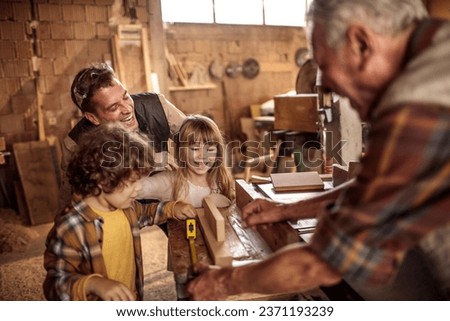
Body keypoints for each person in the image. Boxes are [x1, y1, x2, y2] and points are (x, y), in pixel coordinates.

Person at [186, 0, 450, 300]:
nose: (332, 93)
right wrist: (286, 210)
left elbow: (322, 264)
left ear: (361, 42)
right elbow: (375, 189)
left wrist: (224, 282)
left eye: (325, 73)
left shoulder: (416, 105)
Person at [43, 123, 196, 300]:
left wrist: (171, 208)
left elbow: (147, 212)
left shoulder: (126, 208)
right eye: (132, 182)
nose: (139, 188)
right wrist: (92, 284)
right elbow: (54, 284)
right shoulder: (70, 227)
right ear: (102, 180)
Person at [59, 62, 186, 212]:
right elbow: (69, 196)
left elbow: (198, 136)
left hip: (162, 190)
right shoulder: (75, 143)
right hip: (118, 202)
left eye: (126, 97)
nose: (127, 109)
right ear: (93, 118)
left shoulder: (158, 106)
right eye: (113, 107)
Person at [137, 114, 235, 208]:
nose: (203, 156)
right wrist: (150, 163)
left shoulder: (222, 180)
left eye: (210, 150)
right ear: (181, 151)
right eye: (195, 149)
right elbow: (132, 190)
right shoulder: (169, 182)